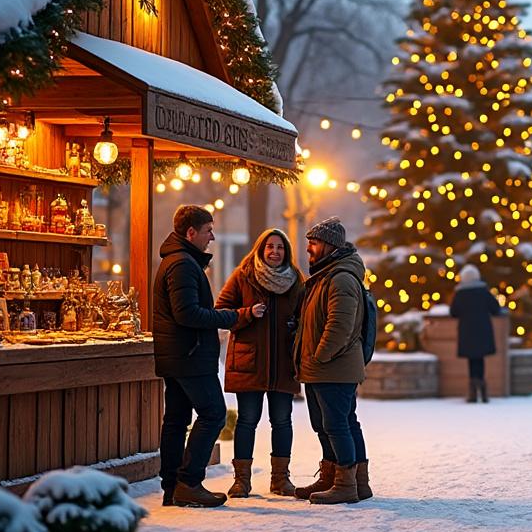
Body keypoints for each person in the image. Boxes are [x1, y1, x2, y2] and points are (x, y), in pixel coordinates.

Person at [153, 205, 244, 508]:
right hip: (189, 355)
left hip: (179, 354)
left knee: (177, 419)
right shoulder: (182, 265)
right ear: (191, 232)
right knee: (213, 413)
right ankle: (189, 482)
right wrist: (230, 317)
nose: (212, 237)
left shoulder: (179, 261)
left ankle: (172, 487)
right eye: (208, 231)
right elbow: (187, 314)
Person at [216, 228, 305, 499]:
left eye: (280, 247)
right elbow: (220, 311)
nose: (275, 252)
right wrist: (246, 313)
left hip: (282, 363)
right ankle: (241, 480)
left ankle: (281, 479)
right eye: (270, 247)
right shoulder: (243, 276)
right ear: (260, 249)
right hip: (249, 362)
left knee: (282, 421)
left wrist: (295, 326)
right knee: (247, 421)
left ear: (286, 252)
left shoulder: (296, 282)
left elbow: (304, 317)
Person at [293, 217, 370, 505]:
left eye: (313, 243)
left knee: (337, 424)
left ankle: (345, 484)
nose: (309, 248)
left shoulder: (341, 278)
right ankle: (346, 480)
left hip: (332, 367)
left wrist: (320, 355)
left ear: (329, 246)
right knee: (336, 423)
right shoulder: (327, 275)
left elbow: (340, 325)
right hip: (324, 367)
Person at [450, 263, 501, 404]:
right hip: (483, 331)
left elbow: (453, 312)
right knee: (480, 359)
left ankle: (473, 392)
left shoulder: (460, 293)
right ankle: (483, 391)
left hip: (467, 332)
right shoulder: (483, 291)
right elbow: (495, 308)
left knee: (472, 360)